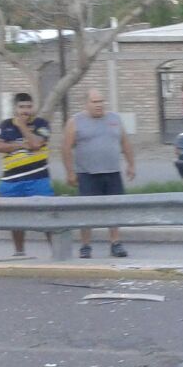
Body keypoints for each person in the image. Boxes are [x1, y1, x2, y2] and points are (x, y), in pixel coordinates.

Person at [62, 90, 136, 259]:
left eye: (101, 101)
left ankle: (115, 242)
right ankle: (86, 245)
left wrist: (131, 164)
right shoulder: (76, 121)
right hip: (87, 174)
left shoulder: (114, 119)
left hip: (112, 172)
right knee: (87, 211)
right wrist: (70, 172)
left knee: (114, 209)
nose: (99, 105)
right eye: (95, 102)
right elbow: (66, 148)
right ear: (86, 103)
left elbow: (124, 142)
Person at [0, 92, 53, 256]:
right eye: (22, 107)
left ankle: (56, 252)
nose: (25, 110)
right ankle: (19, 252)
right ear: (15, 108)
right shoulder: (4, 125)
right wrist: (19, 146)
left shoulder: (42, 124)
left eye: (28, 107)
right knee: (15, 218)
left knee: (48, 216)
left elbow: (35, 144)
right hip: (11, 180)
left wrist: (22, 126)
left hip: (38, 179)